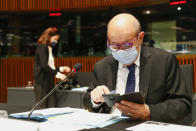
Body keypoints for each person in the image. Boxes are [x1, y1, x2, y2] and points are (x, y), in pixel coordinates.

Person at [83, 13, 191, 124]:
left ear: (140, 38)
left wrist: (148, 111)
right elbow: (88, 100)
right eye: (114, 45)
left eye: (126, 45)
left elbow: (183, 105)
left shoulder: (164, 62)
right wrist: (94, 99)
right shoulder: (102, 66)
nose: (120, 50)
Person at [33, 27, 70, 108]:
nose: (56, 42)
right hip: (42, 83)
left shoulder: (49, 48)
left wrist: (62, 68)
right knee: (43, 108)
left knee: (51, 107)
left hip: (49, 81)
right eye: (55, 39)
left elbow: (50, 68)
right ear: (49, 37)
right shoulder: (43, 47)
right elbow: (44, 66)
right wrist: (59, 75)